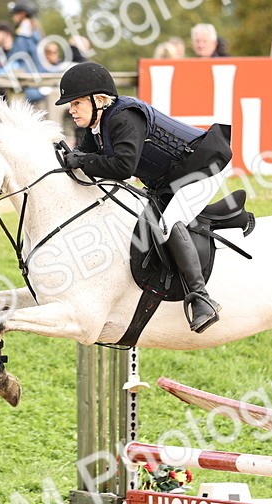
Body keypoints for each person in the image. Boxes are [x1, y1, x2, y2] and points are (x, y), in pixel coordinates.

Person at [55, 62, 231, 334]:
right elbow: (89, 165)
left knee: (168, 223)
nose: (71, 109)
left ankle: (202, 299)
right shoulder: (95, 127)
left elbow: (122, 168)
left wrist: (81, 159)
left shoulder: (123, 118)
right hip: (169, 180)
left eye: (77, 102)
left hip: (205, 165)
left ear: (98, 100)